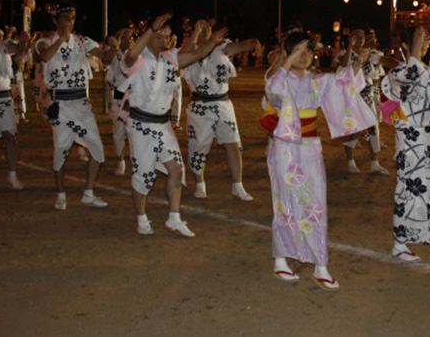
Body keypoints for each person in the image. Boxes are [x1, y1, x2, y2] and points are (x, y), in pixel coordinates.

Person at [263, 28, 376, 290]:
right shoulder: (279, 77)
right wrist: (286, 63)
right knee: (284, 201)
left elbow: (345, 84)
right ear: (287, 53)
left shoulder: (318, 80)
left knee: (315, 202)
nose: (305, 56)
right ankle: (281, 258)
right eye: (299, 50)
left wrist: (357, 63)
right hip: (284, 148)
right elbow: (274, 93)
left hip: (310, 146)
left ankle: (320, 263)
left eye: (309, 50)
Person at [119, 14, 226, 237]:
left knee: (176, 170)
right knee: (143, 176)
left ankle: (174, 218)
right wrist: (150, 28)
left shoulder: (170, 59)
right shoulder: (139, 59)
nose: (164, 40)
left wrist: (212, 42)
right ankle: (141, 217)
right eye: (159, 36)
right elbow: (129, 57)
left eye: (167, 36)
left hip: (163, 125)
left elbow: (196, 53)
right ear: (149, 37)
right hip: (140, 125)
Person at [381, 26, 430, 262]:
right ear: (407, 47)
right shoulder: (397, 72)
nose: (425, 44)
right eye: (421, 41)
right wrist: (416, 49)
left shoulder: (429, 72)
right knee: (409, 191)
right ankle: (399, 242)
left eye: (426, 40)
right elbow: (411, 73)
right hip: (410, 141)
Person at [37, 6, 113, 210]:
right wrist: (62, 39)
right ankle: (61, 194)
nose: (68, 23)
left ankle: (88, 192)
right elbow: (43, 57)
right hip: (61, 104)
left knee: (97, 149)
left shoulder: (82, 41)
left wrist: (114, 47)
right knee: (61, 150)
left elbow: (105, 56)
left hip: (81, 103)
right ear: (56, 22)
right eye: (64, 19)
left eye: (71, 19)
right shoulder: (46, 41)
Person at [181, 19, 261, 200]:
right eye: (199, 26)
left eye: (206, 26)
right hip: (199, 107)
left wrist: (252, 43)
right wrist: (195, 34)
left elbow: (238, 47)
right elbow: (182, 56)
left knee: (233, 144)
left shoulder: (221, 45)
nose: (203, 30)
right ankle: (200, 184)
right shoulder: (188, 50)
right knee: (198, 148)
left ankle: (238, 185)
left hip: (222, 104)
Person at [338, 28, 390, 175]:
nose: (360, 39)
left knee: (374, 129)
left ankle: (375, 162)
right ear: (351, 38)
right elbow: (342, 64)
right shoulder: (346, 54)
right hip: (352, 96)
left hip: (368, 95)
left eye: (362, 36)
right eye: (356, 36)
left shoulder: (371, 54)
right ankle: (350, 161)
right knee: (353, 130)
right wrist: (349, 47)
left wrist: (377, 97)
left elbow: (376, 78)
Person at [0, 14, 29, 189]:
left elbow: (18, 50)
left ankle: (12, 175)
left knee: (10, 137)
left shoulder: (2, 46)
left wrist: (24, 42)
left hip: (3, 97)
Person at [105, 28, 134, 176]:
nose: (128, 41)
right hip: (118, 98)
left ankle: (137, 161)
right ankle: (121, 160)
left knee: (134, 131)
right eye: (125, 38)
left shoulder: (137, 55)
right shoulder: (115, 56)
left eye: (131, 38)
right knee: (119, 132)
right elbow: (110, 78)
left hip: (133, 99)